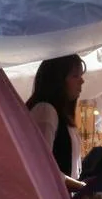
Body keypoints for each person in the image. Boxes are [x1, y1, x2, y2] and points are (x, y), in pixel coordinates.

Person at [26, 55, 87, 189]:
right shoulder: (45, 110)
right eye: (75, 76)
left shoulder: (61, 114)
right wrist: (82, 187)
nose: (82, 81)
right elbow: (41, 167)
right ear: (58, 80)